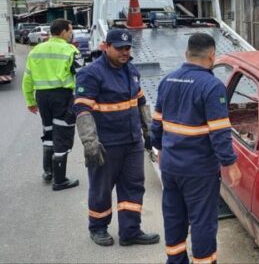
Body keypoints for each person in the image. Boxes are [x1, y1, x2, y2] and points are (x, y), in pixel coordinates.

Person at [151, 33, 241, 264]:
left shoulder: (167, 81)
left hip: (170, 166)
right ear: (212, 56)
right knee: (202, 220)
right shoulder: (212, 86)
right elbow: (220, 132)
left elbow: (157, 122)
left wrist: (160, 150)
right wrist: (230, 164)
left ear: (186, 54)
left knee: (174, 217)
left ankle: (175, 260)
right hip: (199, 170)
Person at [73, 28, 159, 247]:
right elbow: (83, 111)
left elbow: (140, 103)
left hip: (132, 142)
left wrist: (148, 131)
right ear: (106, 46)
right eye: (119, 48)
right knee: (102, 189)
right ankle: (98, 227)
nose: (124, 52)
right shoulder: (91, 73)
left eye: (127, 48)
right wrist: (90, 142)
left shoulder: (131, 70)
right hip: (106, 144)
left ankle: (130, 231)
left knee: (133, 186)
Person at [22, 18, 80, 191]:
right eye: (70, 31)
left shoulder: (36, 50)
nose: (71, 34)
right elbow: (81, 76)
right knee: (62, 133)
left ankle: (48, 172)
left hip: (42, 97)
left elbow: (27, 78)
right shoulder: (71, 50)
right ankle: (60, 180)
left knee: (48, 132)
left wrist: (30, 101)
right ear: (63, 32)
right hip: (62, 96)